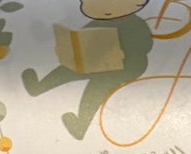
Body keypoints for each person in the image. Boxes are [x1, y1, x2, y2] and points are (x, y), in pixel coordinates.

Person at [21, 0, 153, 140]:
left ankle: (81, 125)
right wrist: (68, 48)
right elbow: (82, 37)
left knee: (97, 86)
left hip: (128, 66)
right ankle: (38, 87)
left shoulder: (135, 24)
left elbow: (146, 45)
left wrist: (123, 52)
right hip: (97, 59)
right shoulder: (100, 22)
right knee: (71, 68)